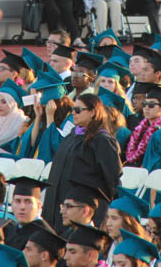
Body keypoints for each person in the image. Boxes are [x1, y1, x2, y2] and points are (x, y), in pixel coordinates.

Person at [42, 93, 122, 233]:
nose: (73, 113)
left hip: (83, 208)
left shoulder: (101, 140)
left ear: (92, 112)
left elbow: (112, 179)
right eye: (73, 109)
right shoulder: (73, 135)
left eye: (78, 110)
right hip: (57, 205)